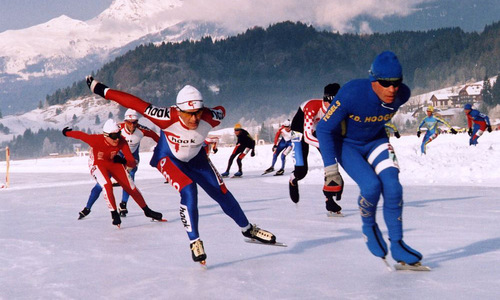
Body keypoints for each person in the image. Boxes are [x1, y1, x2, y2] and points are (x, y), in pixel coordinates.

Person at [85, 76, 277, 264]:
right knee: (188, 189)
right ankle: (195, 241)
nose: (194, 118)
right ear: (179, 110)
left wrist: (211, 111)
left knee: (222, 192)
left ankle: (247, 228)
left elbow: (222, 110)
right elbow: (133, 102)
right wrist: (101, 89)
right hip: (168, 157)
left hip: (196, 158)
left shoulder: (210, 117)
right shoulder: (166, 116)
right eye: (188, 113)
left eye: (198, 113)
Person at [316, 51, 424, 266]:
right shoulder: (351, 93)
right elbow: (324, 129)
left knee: (393, 188)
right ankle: (369, 227)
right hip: (348, 146)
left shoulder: (403, 94)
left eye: (397, 83)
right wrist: (331, 171)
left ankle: (398, 244)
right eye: (385, 83)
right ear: (373, 79)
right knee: (371, 186)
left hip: (376, 141)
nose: (392, 89)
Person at [63, 119, 163, 227]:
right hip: (97, 164)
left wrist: (124, 161)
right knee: (107, 185)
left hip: (113, 163)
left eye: (118, 135)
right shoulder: (96, 139)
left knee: (131, 186)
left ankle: (147, 211)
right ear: (106, 135)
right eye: (114, 136)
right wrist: (66, 133)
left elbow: (132, 162)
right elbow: (80, 135)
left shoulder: (121, 140)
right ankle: (114, 214)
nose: (117, 139)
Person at [288, 83, 343, 216]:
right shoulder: (312, 106)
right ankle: (293, 179)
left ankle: (329, 199)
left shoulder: (338, 109)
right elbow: (307, 137)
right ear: (328, 100)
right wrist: (327, 146)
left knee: (330, 163)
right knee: (301, 171)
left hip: (318, 130)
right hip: (300, 132)